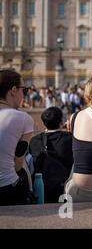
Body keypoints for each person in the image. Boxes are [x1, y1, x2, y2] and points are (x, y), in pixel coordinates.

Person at [0, 70, 34, 205]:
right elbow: (18, 165)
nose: (24, 96)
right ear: (14, 90)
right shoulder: (23, 119)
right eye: (24, 90)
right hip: (6, 189)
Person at [29, 107, 73, 202]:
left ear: (44, 123)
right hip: (64, 188)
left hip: (42, 189)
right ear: (62, 122)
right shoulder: (69, 138)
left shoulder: (34, 140)